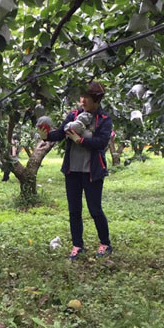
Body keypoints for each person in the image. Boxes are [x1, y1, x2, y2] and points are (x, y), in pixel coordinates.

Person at [38, 81, 113, 260]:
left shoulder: (104, 119)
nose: (83, 100)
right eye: (82, 96)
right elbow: (60, 133)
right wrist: (46, 136)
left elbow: (102, 142)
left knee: (95, 209)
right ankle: (77, 245)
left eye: (87, 97)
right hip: (73, 170)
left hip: (92, 171)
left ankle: (105, 243)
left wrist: (81, 141)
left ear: (96, 99)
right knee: (74, 210)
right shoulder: (74, 114)